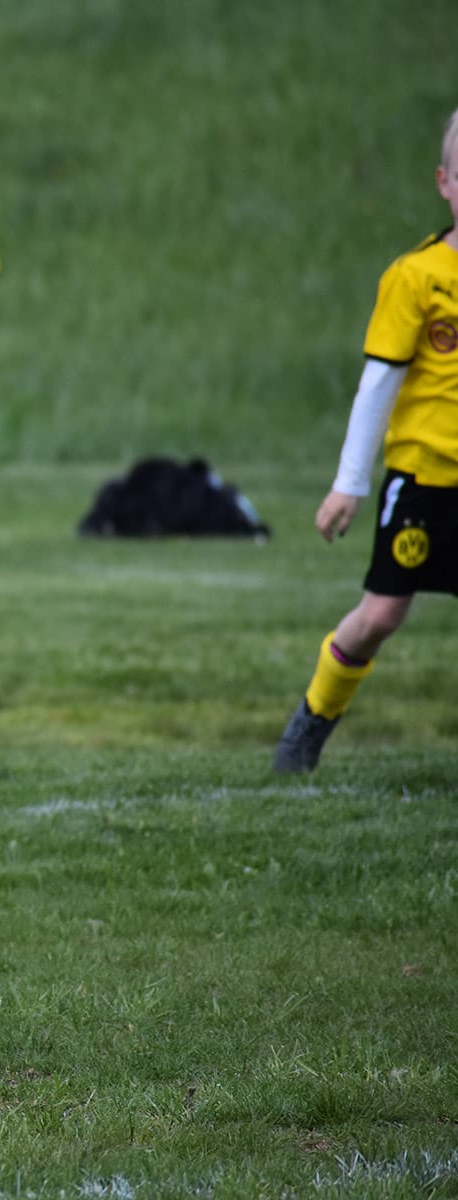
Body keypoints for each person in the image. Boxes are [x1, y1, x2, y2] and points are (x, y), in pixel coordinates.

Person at [273, 106, 458, 773]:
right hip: (424, 481)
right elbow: (378, 385)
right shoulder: (415, 278)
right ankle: (310, 725)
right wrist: (350, 483)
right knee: (380, 615)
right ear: (445, 182)